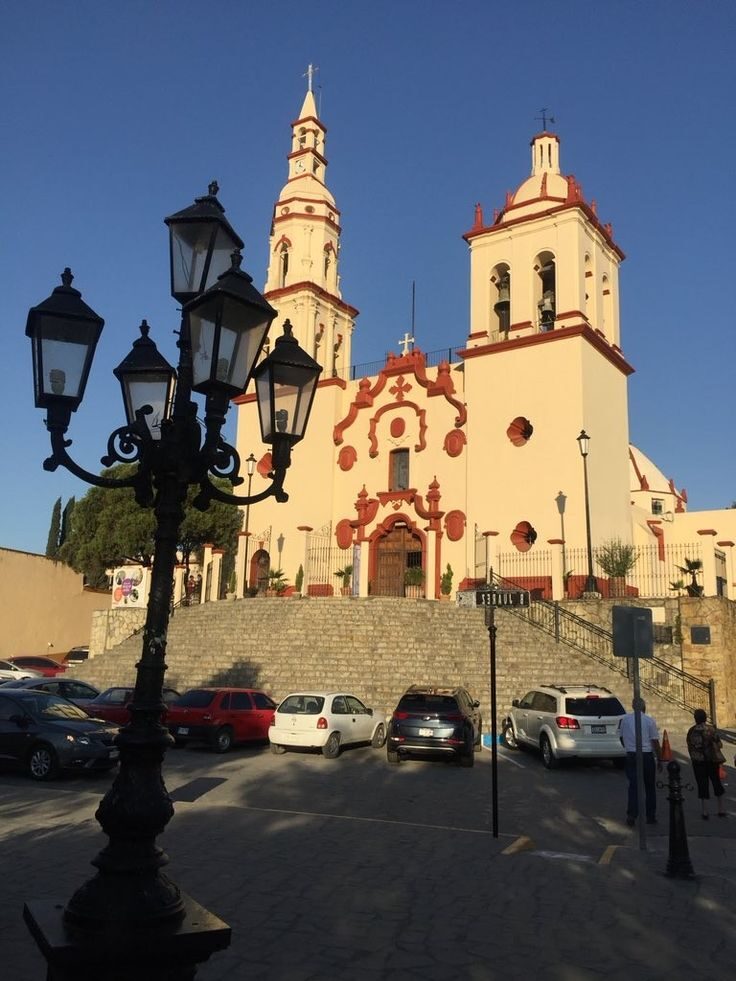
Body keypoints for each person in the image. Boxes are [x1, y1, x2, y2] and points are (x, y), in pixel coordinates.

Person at [618, 697, 662, 826]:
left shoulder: (625, 720)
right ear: (644, 707)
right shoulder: (649, 721)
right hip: (646, 755)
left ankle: (632, 815)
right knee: (649, 787)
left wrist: (628, 747)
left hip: (631, 754)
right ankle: (650, 815)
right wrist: (659, 758)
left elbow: (621, 737)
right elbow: (655, 741)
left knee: (634, 786)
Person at [686, 708, 727, 819]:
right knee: (716, 783)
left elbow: (689, 746)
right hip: (711, 760)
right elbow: (719, 744)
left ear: (695, 719)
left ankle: (705, 811)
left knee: (702, 784)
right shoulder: (711, 730)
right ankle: (721, 809)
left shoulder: (691, 731)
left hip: (698, 761)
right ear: (705, 717)